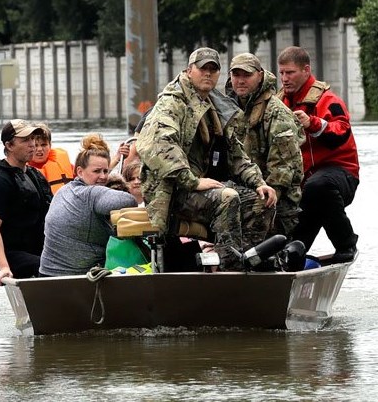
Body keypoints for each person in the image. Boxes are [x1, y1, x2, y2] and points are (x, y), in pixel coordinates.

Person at [136, 47, 278, 270]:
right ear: (189, 70)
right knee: (227, 197)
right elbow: (158, 145)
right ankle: (228, 268)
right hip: (172, 189)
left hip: (200, 186)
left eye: (213, 69)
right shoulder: (172, 102)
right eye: (203, 69)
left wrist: (259, 183)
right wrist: (192, 181)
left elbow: (237, 155)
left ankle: (248, 260)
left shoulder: (215, 106)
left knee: (263, 202)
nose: (208, 74)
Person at [277, 46, 360, 262]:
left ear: (306, 70)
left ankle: (346, 244)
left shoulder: (328, 100)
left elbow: (341, 132)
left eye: (290, 72)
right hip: (304, 186)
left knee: (318, 186)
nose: (285, 78)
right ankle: (292, 259)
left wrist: (312, 123)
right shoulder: (279, 103)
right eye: (282, 73)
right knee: (288, 249)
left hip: (340, 175)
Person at [226, 52, 305, 236]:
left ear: (260, 75)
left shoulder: (277, 112)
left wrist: (263, 200)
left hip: (278, 202)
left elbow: (282, 168)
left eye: (247, 75)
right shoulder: (229, 109)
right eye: (236, 75)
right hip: (242, 192)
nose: (241, 80)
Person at [39, 134, 138, 277]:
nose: (103, 176)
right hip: (74, 278)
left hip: (46, 273)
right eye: (97, 171)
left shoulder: (65, 189)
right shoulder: (91, 194)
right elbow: (129, 201)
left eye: (105, 171)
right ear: (79, 171)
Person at [0, 119, 53, 285]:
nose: (33, 145)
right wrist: (4, 268)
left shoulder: (34, 175)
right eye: (25, 140)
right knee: (48, 267)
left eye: (33, 139)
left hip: (28, 249)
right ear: (9, 145)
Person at [28, 122, 75, 194]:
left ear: (50, 145)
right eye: (35, 145)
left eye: (44, 145)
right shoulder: (21, 171)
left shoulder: (70, 168)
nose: (40, 149)